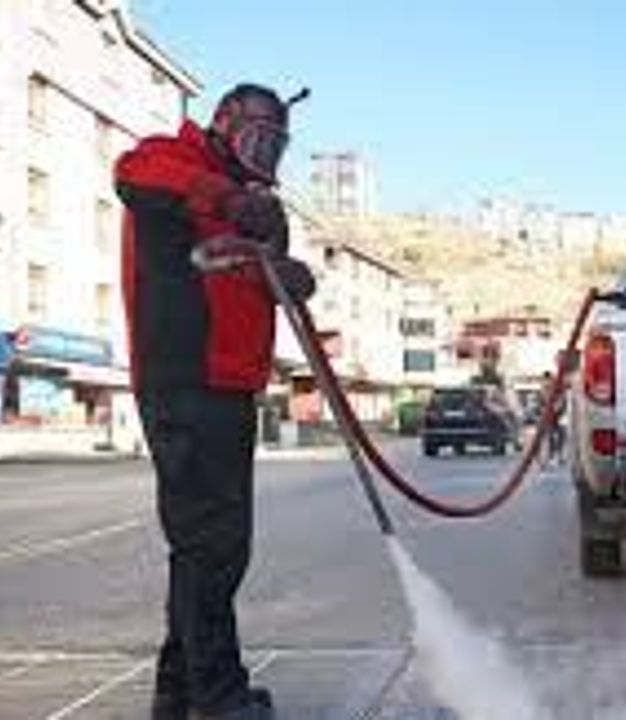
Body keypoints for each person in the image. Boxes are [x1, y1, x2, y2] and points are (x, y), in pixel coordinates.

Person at [115, 83, 314, 720]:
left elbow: (244, 271)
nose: (265, 154)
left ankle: (180, 690)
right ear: (224, 120)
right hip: (186, 381)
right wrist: (228, 198)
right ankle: (218, 697)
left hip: (228, 385)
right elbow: (132, 173)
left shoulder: (250, 205)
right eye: (258, 136)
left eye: (277, 144)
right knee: (214, 546)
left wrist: (283, 274)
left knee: (204, 548)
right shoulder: (170, 161)